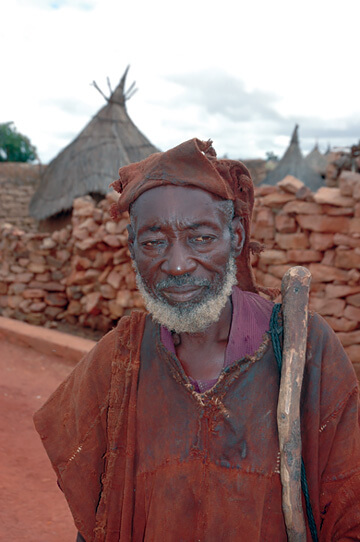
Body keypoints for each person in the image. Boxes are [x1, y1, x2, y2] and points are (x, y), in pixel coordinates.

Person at [34, 138, 360, 542]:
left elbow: (349, 505)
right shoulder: (119, 359)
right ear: (133, 250)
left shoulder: (305, 348)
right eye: (153, 242)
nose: (177, 264)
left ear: (236, 237)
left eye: (201, 237)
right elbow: (97, 517)